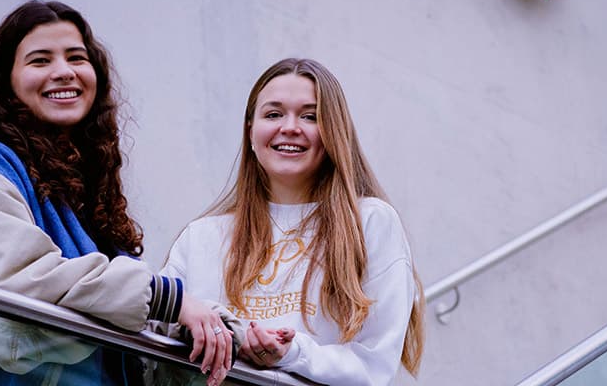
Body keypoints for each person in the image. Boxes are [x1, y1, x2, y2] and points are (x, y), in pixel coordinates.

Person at [0, 0, 239, 386]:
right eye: (40, 60)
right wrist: (171, 300)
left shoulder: (84, 197)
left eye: (76, 58)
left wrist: (226, 333)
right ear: (6, 82)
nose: (63, 72)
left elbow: (127, 325)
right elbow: (18, 285)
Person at [159, 58, 426, 386]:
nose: (289, 127)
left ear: (333, 131)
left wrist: (292, 353)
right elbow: (157, 329)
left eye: (310, 116)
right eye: (273, 114)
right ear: (250, 129)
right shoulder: (201, 237)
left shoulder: (370, 221)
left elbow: (374, 364)